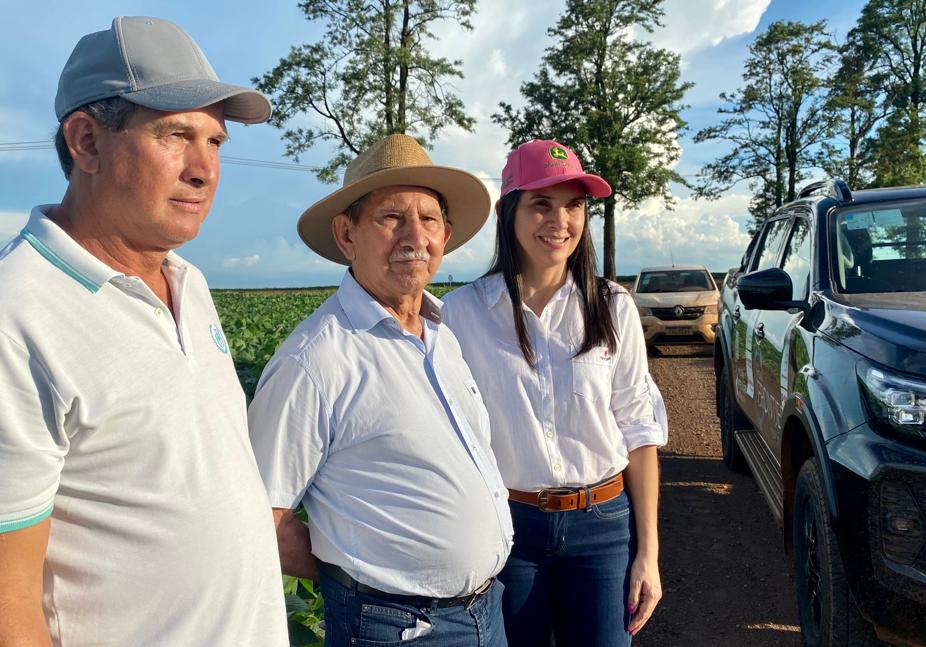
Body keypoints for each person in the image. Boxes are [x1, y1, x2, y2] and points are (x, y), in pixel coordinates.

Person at [0, 16, 288, 647]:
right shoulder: (16, 315)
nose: (204, 170)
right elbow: (6, 607)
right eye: (176, 135)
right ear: (87, 142)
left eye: (215, 142)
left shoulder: (189, 282)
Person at [247, 133, 513, 647]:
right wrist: (359, 580)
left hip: (485, 612)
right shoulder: (314, 359)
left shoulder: (442, 334)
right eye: (391, 217)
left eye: (429, 219)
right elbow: (261, 517)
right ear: (346, 235)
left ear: (445, 235)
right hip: (395, 628)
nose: (414, 236)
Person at [443, 139, 668, 646]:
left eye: (574, 205)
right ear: (507, 212)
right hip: (509, 529)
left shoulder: (613, 306)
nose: (560, 221)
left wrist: (648, 554)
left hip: (603, 528)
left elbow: (639, 430)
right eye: (541, 204)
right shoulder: (461, 314)